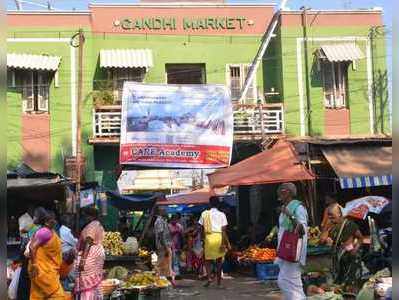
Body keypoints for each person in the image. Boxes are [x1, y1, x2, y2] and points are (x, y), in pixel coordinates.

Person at [275, 182, 308, 300]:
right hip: (285, 250)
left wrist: (290, 215)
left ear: (287, 192)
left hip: (293, 251)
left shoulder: (298, 208)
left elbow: (302, 229)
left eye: (281, 191)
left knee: (285, 281)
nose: (278, 193)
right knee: (291, 283)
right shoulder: (286, 208)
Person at [324, 203, 364, 292]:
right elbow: (322, 239)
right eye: (329, 217)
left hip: (350, 259)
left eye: (332, 217)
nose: (331, 219)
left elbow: (360, 238)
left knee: (350, 287)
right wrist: (326, 227)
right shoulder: (332, 227)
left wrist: (356, 248)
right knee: (340, 287)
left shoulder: (350, 225)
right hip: (339, 261)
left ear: (339, 214)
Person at [28, 210, 66, 299]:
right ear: (46, 222)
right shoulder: (45, 232)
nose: (55, 221)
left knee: (39, 295)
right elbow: (32, 248)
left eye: (55, 219)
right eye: (52, 220)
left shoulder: (49, 231)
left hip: (44, 270)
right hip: (43, 270)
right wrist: (34, 265)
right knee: (57, 295)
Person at [17, 206, 48, 300]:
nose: (33, 218)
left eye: (34, 216)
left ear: (38, 218)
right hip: (39, 261)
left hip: (31, 260)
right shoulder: (43, 229)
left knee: (25, 283)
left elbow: (29, 248)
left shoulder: (35, 229)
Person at [74, 207, 105, 300]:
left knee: (87, 280)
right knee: (94, 282)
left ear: (91, 216)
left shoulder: (92, 225)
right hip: (97, 254)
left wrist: (83, 260)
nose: (84, 218)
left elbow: (88, 242)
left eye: (85, 216)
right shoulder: (98, 225)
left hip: (90, 254)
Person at [198, 196, 230, 288]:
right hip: (219, 237)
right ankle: (219, 283)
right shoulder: (222, 214)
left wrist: (202, 238)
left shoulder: (204, 214)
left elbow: (200, 227)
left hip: (208, 238)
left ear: (210, 203)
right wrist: (224, 243)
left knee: (207, 260)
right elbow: (224, 230)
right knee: (219, 261)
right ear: (218, 204)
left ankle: (209, 278)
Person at [154, 207, 176, 287]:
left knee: (166, 263)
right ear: (161, 211)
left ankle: (165, 280)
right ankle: (157, 280)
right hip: (163, 245)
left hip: (166, 245)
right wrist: (165, 247)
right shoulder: (159, 221)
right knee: (161, 263)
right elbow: (160, 235)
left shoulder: (163, 220)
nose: (166, 211)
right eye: (164, 210)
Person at [169, 214, 184, 278]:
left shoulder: (179, 226)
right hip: (171, 244)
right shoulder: (168, 226)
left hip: (178, 244)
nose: (175, 220)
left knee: (177, 259)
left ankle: (176, 273)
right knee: (173, 259)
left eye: (176, 219)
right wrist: (175, 231)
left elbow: (182, 235)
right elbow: (168, 234)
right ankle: (174, 273)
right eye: (174, 219)